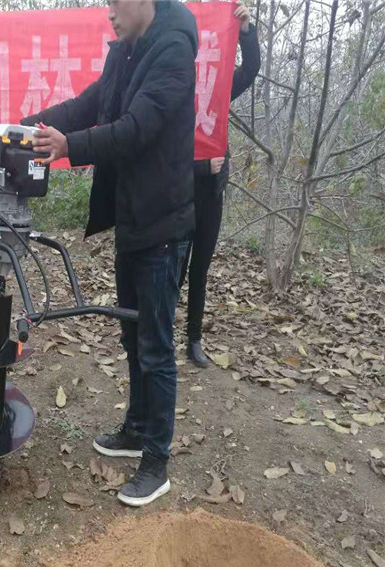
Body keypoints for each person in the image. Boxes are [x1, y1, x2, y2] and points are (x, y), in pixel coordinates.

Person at [23, 0, 197, 507]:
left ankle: (156, 463)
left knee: (156, 346)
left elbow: (137, 128)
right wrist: (25, 127)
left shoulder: (173, 50)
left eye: (117, 4)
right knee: (132, 334)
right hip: (133, 219)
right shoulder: (126, 50)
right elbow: (89, 104)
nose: (110, 14)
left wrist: (70, 146)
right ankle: (137, 429)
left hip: (164, 224)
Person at [182, 2, 260, 367]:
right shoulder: (175, 93)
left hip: (211, 193)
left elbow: (252, 69)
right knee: (175, 266)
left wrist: (246, 32)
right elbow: (162, 154)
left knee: (200, 267)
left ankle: (193, 338)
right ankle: (161, 331)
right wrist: (200, 166)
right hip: (179, 192)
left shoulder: (220, 88)